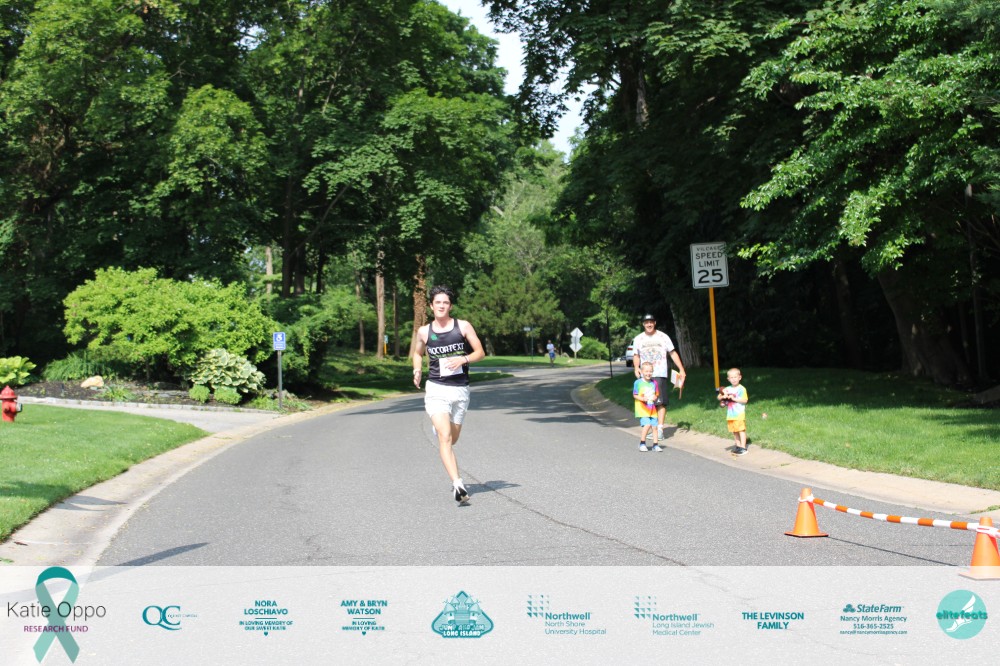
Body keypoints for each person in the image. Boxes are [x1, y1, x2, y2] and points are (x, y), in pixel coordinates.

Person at [412, 285, 485, 504]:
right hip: (436, 388)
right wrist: (417, 369)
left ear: (450, 306)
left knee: (453, 438)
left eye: (445, 302)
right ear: (431, 306)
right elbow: (417, 353)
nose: (441, 306)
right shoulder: (424, 332)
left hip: (460, 389)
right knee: (445, 437)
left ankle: (440, 427)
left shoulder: (462, 326)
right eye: (438, 302)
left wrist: (464, 359)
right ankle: (458, 484)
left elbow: (480, 352)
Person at [631, 313, 686, 441]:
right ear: (643, 324)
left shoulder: (663, 337)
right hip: (645, 375)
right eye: (646, 322)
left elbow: (672, 353)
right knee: (647, 400)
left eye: (651, 322)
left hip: (659, 373)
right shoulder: (638, 339)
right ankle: (652, 427)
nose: (649, 324)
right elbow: (636, 355)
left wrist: (681, 369)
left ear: (655, 323)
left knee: (660, 402)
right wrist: (636, 367)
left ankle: (660, 429)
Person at [718, 367, 749, 455]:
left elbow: (745, 400)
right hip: (731, 414)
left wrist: (734, 399)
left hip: (739, 414)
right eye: (731, 378)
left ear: (740, 377)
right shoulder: (727, 389)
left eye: (735, 377)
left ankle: (743, 447)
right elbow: (719, 396)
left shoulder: (741, 389)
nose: (734, 379)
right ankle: (738, 446)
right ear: (728, 379)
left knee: (741, 430)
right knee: (735, 431)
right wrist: (723, 397)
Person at [633, 362, 661, 452]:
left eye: (650, 371)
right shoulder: (638, 382)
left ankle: (655, 445)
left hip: (652, 408)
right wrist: (642, 398)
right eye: (646, 371)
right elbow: (635, 395)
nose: (648, 373)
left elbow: (656, 394)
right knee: (647, 425)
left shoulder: (654, 383)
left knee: (655, 427)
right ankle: (642, 443)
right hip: (642, 409)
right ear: (641, 372)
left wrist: (655, 397)